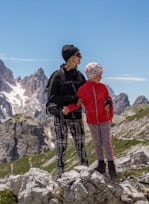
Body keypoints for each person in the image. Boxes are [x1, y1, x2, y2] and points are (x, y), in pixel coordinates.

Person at [62, 62, 117, 179]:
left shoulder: (103, 87)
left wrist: (108, 102)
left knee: (107, 142)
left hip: (104, 119)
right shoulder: (82, 90)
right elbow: (78, 104)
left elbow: (108, 98)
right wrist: (68, 108)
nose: (101, 77)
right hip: (92, 121)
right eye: (99, 75)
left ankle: (112, 168)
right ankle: (101, 165)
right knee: (97, 143)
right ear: (92, 75)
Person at [48, 44, 89, 179]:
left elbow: (86, 95)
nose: (81, 57)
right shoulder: (57, 76)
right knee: (61, 148)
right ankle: (60, 177)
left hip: (76, 116)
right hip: (61, 117)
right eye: (78, 55)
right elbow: (52, 99)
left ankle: (86, 175)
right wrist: (72, 99)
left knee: (81, 146)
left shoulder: (80, 76)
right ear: (70, 58)